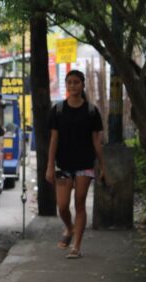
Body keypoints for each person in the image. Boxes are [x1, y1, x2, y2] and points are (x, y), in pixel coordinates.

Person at [45, 69, 106, 260]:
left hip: (85, 164)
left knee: (80, 202)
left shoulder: (91, 111)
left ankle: (76, 247)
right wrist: (49, 165)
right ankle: (69, 228)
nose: (73, 86)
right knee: (62, 206)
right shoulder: (58, 110)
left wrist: (103, 165)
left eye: (76, 82)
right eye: (70, 82)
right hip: (63, 165)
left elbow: (96, 140)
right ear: (66, 85)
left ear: (82, 85)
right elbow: (54, 139)